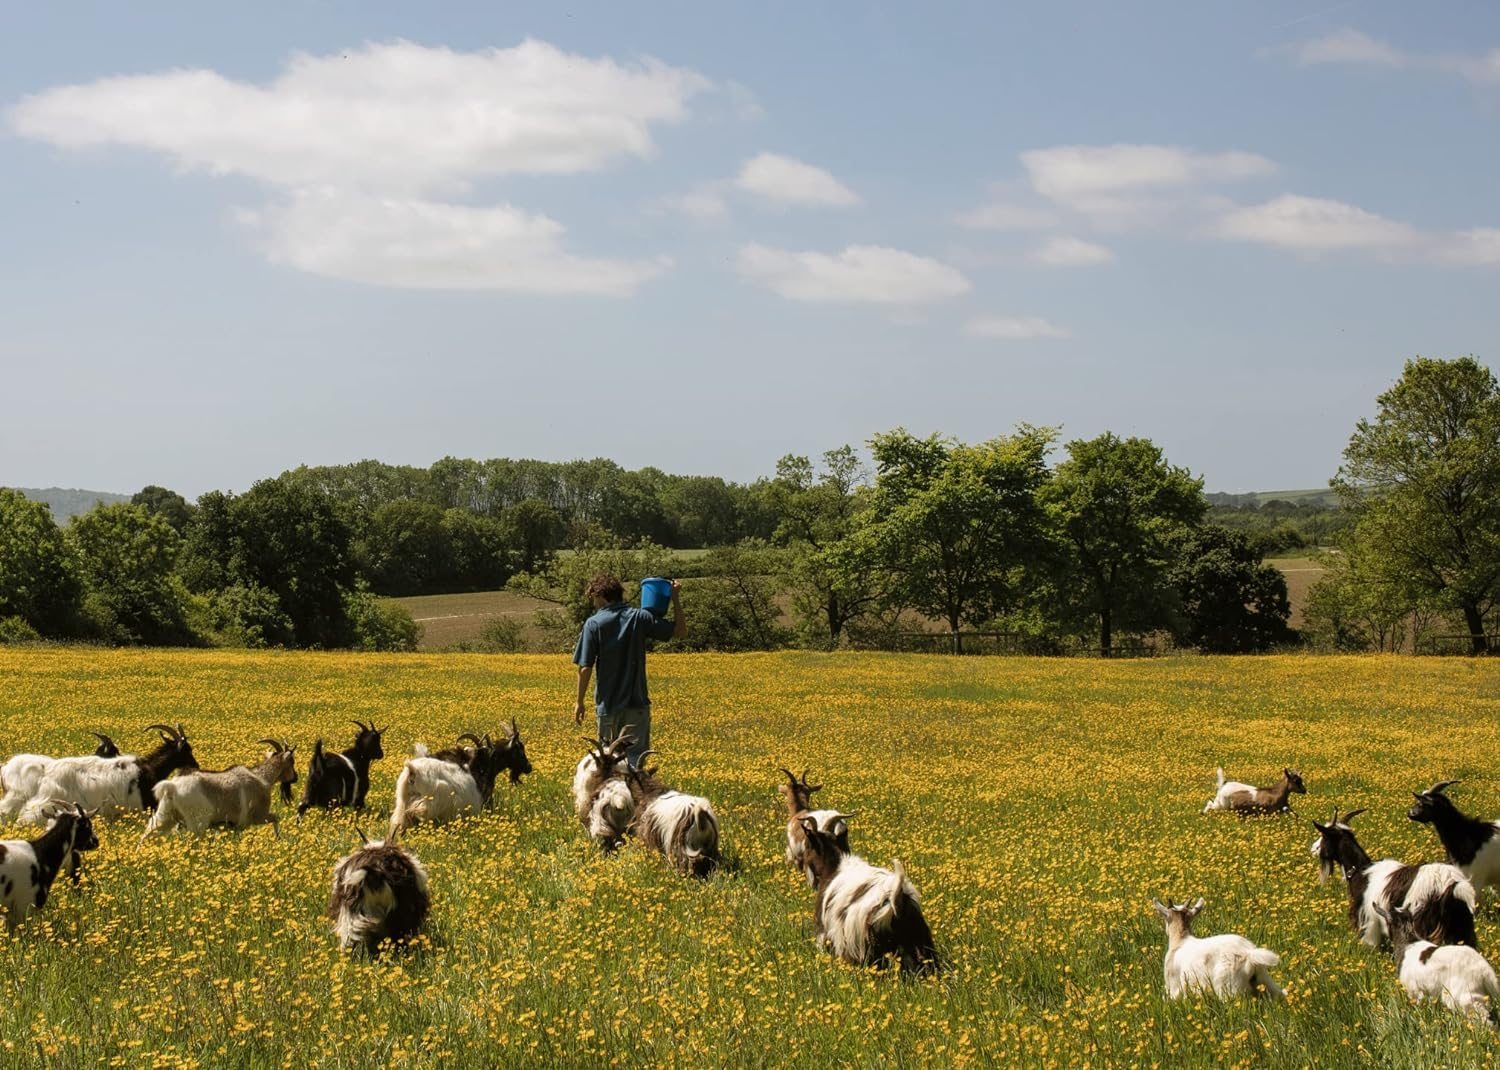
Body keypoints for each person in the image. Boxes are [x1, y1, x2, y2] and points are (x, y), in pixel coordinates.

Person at [572, 574, 685, 768]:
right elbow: (680, 631)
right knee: (635, 763)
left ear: (601, 595)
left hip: (608, 707)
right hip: (637, 704)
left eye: (593, 597)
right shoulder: (639, 617)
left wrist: (579, 702)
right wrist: (674, 597)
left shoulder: (594, 623)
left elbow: (585, 668)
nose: (593, 603)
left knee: (609, 764)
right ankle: (635, 797)